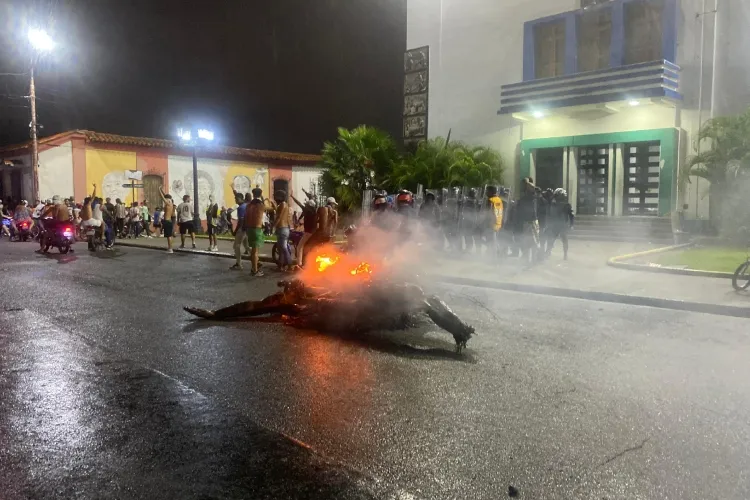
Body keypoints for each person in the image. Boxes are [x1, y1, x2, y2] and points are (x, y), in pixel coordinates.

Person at [516, 177, 540, 264]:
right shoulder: (523, 198)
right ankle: (526, 260)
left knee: (534, 242)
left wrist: (527, 182)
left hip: (532, 222)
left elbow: (532, 188)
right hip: (525, 222)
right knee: (525, 242)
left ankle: (533, 260)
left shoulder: (532, 196)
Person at [545, 188, 574, 260]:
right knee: (552, 239)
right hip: (556, 225)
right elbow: (549, 214)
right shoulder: (553, 204)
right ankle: (548, 252)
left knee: (563, 240)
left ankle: (565, 254)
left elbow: (571, 215)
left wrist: (571, 224)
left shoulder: (566, 205)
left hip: (562, 225)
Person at [244, 187, 266, 276]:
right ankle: (255, 270)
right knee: (255, 251)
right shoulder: (260, 205)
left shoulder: (248, 205)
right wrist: (264, 199)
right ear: (260, 194)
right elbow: (272, 208)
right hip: (257, 228)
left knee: (253, 250)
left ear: (253, 194)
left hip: (249, 228)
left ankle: (255, 266)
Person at [291, 195, 316, 268]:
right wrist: (301, 223)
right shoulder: (314, 212)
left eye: (307, 205)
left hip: (308, 232)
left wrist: (292, 197)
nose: (305, 206)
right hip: (313, 232)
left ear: (309, 205)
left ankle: (299, 264)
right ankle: (307, 263)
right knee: (307, 247)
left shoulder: (307, 210)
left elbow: (299, 203)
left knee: (299, 246)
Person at [272, 190, 293, 271]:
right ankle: (281, 266)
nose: (275, 198)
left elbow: (279, 217)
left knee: (283, 248)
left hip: (282, 228)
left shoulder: (283, 205)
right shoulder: (284, 205)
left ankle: (290, 265)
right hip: (283, 228)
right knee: (281, 248)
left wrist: (273, 226)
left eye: (276, 196)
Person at [230, 193, 248, 270]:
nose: (235, 200)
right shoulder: (247, 205)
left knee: (236, 246)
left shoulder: (241, 208)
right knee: (247, 246)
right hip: (247, 228)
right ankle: (257, 260)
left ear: (240, 198)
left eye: (236, 199)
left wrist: (236, 230)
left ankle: (239, 264)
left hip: (241, 229)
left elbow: (241, 220)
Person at [158, 186, 176, 253]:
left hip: (167, 221)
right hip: (168, 221)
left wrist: (159, 190)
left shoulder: (168, 203)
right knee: (169, 235)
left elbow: (162, 197)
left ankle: (170, 249)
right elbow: (165, 196)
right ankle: (169, 248)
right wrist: (162, 190)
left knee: (169, 236)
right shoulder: (170, 202)